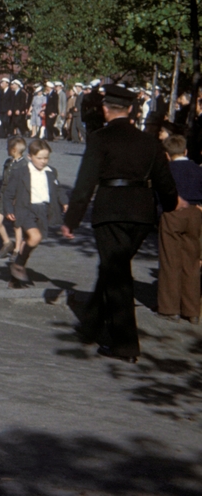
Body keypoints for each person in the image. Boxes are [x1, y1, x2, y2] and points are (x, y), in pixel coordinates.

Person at [63, 84, 182, 363]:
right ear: (130, 109)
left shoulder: (99, 139)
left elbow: (85, 182)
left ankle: (125, 345)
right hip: (142, 214)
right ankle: (90, 325)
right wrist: (170, 204)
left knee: (117, 275)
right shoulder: (149, 141)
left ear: (106, 109)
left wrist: (72, 219)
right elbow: (164, 181)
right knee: (112, 268)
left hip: (111, 212)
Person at [4, 138, 69, 287]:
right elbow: (9, 193)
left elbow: (58, 189)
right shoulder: (20, 172)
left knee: (31, 241)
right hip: (26, 209)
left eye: (46, 158)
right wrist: (8, 209)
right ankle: (18, 265)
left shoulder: (51, 172)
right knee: (35, 236)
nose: (43, 161)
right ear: (30, 157)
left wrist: (64, 201)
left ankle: (15, 276)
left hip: (43, 211)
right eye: (39, 158)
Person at [156, 134, 202, 324]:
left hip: (172, 212)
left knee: (170, 259)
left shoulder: (166, 169)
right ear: (186, 151)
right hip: (194, 212)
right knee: (191, 260)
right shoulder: (197, 169)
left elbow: (159, 192)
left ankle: (170, 307)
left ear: (167, 155)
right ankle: (192, 310)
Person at [0, 136, 27, 259]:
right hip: (5, 195)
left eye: (8, 147)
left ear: (14, 150)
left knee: (16, 224)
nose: (6, 149)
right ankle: (7, 242)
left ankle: (17, 249)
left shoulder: (24, 165)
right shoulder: (8, 162)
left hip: (17, 197)